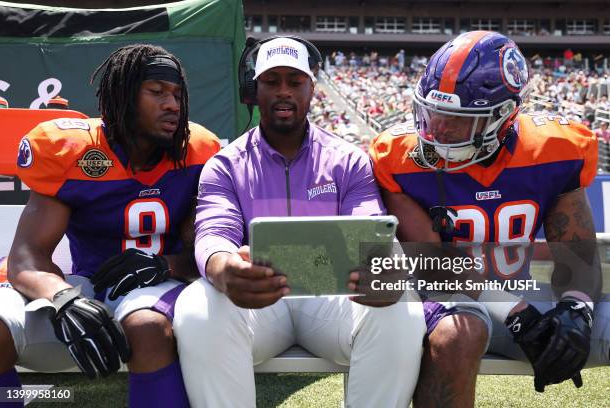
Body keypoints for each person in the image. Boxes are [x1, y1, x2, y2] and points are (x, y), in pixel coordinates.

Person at [173, 36, 426, 407]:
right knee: (197, 305)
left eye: (295, 81)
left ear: (311, 88)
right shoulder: (225, 165)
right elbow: (214, 233)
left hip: (333, 300)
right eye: (271, 81)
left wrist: (382, 265)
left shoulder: (350, 160)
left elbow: (370, 229)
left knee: (400, 305)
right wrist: (223, 267)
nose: (283, 92)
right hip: (259, 302)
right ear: (253, 91)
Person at [370, 31, 608, 407]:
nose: (437, 130)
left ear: (502, 117)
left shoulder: (554, 150)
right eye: (433, 113)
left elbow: (577, 252)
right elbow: (433, 260)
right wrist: (515, 313)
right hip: (448, 304)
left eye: (457, 120)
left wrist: (576, 310)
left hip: (528, 301)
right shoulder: (398, 158)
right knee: (459, 335)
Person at [0, 44, 220, 408]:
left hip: (158, 285)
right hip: (85, 284)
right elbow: (27, 255)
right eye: (157, 92)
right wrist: (63, 297)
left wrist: (167, 265)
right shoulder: (72, 151)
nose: (173, 104)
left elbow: (208, 249)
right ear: (123, 95)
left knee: (147, 330)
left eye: (177, 94)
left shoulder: (197, 151)